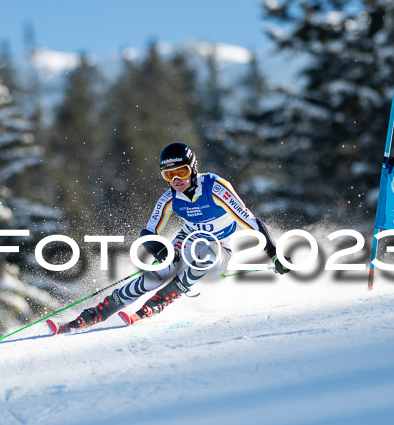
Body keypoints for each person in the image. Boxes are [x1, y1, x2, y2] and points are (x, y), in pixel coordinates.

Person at [47, 142, 289, 334]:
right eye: (168, 175)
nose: (176, 180)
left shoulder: (215, 187)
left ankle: (159, 301)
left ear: (193, 168)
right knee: (155, 275)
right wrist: (159, 250)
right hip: (189, 237)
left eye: (181, 172)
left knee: (204, 257)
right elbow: (148, 233)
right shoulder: (169, 198)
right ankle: (94, 313)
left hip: (221, 244)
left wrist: (273, 253)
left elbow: (250, 220)